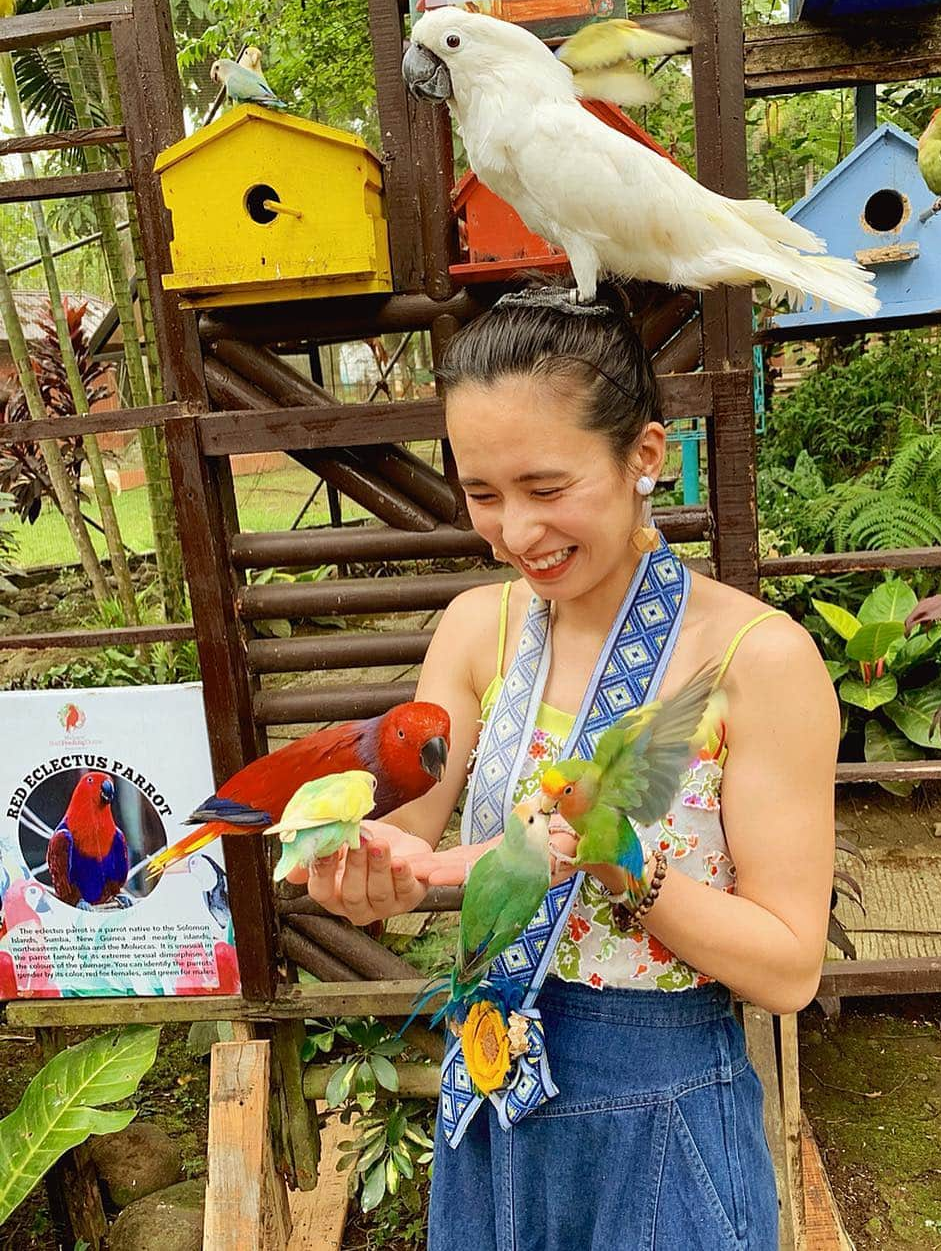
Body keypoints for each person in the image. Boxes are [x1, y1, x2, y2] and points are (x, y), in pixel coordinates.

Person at [296, 284, 839, 1250]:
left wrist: (626, 866)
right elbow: (413, 841)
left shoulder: (760, 659)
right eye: (482, 494)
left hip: (660, 1112)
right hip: (493, 1093)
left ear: (644, 456)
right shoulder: (477, 630)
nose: (515, 532)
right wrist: (362, 872)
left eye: (547, 489)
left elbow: (791, 966)